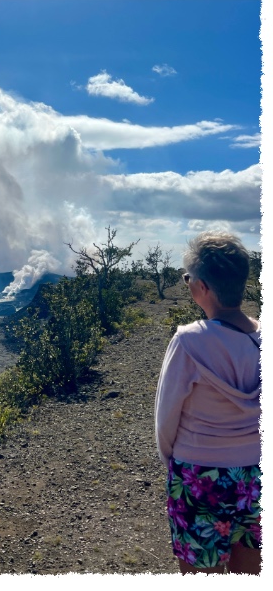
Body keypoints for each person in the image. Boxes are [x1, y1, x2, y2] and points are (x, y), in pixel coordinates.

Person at [154, 231, 261, 575]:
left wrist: (173, 463)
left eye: (188, 278)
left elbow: (166, 420)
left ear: (203, 287)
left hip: (199, 476)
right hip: (258, 475)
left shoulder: (188, 341)